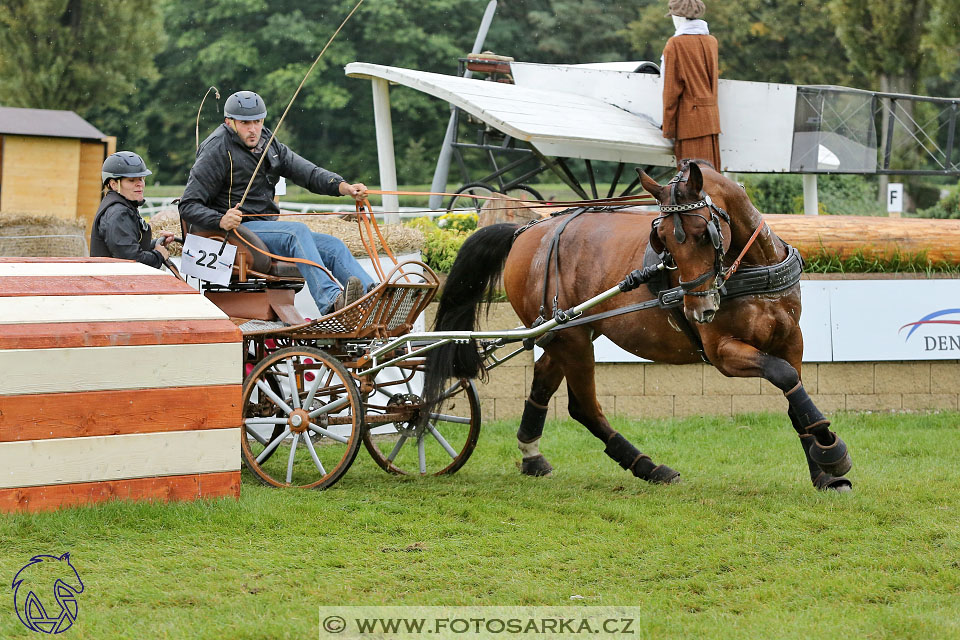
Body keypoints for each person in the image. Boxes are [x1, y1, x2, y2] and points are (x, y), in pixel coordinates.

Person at [178, 90, 373, 314]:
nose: (253, 129)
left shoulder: (269, 143)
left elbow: (307, 172)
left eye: (257, 121)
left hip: (267, 230)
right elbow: (188, 205)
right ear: (229, 122)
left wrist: (343, 187)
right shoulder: (216, 149)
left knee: (333, 246)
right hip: (237, 234)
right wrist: (221, 219)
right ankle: (331, 301)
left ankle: (371, 298)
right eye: (245, 123)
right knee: (295, 231)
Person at [661, 0, 722, 169]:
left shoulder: (675, 44)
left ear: (679, 18)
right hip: (711, 122)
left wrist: (668, 128)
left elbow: (671, 92)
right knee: (712, 182)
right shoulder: (712, 41)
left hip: (689, 125)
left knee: (691, 188)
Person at [90, 151, 174, 268]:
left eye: (141, 179)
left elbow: (129, 247)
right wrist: (158, 256)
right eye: (131, 180)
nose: (140, 184)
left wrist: (157, 243)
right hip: (117, 284)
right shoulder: (118, 213)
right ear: (114, 184)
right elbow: (132, 260)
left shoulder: (122, 207)